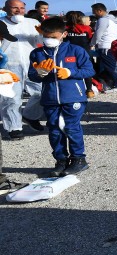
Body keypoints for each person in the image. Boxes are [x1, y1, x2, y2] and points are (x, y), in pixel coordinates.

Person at [28, 17, 95, 176]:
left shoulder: (76, 50)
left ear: (64, 34)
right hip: (50, 98)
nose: (49, 40)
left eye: (53, 37)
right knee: (54, 130)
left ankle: (79, 159)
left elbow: (89, 71)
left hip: (74, 97)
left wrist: (70, 73)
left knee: (71, 127)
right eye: (46, 36)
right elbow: (32, 76)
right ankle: (61, 160)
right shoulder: (37, 53)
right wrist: (41, 73)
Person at [1, 0, 44, 140]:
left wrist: (42, 34)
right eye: (15, 8)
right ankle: (14, 128)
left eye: (22, 8)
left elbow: (40, 42)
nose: (19, 11)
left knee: (42, 92)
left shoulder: (32, 23)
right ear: (5, 9)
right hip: (8, 65)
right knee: (11, 98)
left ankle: (30, 116)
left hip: (32, 64)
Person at [90, 3, 117, 92]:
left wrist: (92, 44)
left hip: (105, 46)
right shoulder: (113, 19)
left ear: (100, 11)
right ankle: (112, 83)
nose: (94, 14)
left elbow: (98, 34)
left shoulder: (103, 20)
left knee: (109, 67)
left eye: (94, 12)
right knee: (112, 66)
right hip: (113, 45)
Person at [65, 11, 96, 98]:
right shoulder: (87, 28)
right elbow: (90, 39)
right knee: (87, 70)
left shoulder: (65, 29)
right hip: (85, 52)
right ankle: (89, 90)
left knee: (70, 71)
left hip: (70, 53)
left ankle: (71, 90)